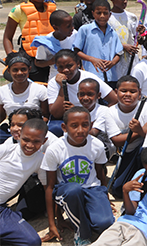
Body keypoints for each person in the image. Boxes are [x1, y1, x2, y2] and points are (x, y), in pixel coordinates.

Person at [41, 106, 114, 245]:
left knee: (104, 223)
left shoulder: (97, 145)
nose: (80, 130)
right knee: (74, 190)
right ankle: (82, 234)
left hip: (92, 188)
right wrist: (53, 222)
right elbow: (50, 187)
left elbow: (100, 175)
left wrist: (105, 198)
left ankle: (84, 211)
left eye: (85, 125)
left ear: (91, 125)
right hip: (67, 191)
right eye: (74, 126)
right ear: (64, 127)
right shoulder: (55, 149)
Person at [0, 118, 48, 246]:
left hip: (1, 209)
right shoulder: (5, 150)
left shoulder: (40, 160)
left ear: (44, 141)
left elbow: (47, 188)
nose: (30, 145)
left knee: (32, 241)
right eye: (26, 139)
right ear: (19, 135)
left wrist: (56, 220)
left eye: (36, 141)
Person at [108, 75, 147, 198]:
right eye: (123, 91)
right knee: (118, 190)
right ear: (116, 92)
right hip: (124, 153)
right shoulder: (110, 112)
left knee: (146, 149)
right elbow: (117, 140)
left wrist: (141, 130)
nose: (128, 94)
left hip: (141, 153)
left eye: (133, 91)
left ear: (139, 93)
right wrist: (139, 131)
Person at [47, 49, 117, 135]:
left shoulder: (89, 78)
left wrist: (100, 118)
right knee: (55, 128)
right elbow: (56, 114)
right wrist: (62, 87)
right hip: (68, 119)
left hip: (91, 118)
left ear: (78, 64)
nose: (65, 70)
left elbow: (114, 100)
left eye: (69, 66)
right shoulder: (54, 83)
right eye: (61, 67)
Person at [4, 0, 56, 81]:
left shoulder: (53, 10)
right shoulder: (18, 10)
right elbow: (7, 37)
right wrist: (10, 57)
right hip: (30, 58)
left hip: (51, 58)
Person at [73, 0, 123, 85]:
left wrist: (112, 62)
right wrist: (92, 59)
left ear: (110, 14)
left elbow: (119, 53)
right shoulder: (85, 30)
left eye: (105, 13)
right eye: (99, 13)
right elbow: (76, 51)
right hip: (91, 75)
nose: (102, 16)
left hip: (111, 77)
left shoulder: (112, 32)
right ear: (93, 13)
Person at [0, 52, 49, 132]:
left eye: (23, 69)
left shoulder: (39, 90)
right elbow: (1, 116)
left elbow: (46, 115)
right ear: (9, 71)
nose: (19, 73)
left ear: (29, 69)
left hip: (34, 130)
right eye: (15, 70)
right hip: (12, 130)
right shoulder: (2, 91)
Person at [77, 78, 120, 159]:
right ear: (78, 95)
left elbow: (93, 133)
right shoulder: (76, 112)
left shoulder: (104, 111)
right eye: (82, 94)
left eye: (90, 94)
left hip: (103, 146)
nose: (85, 98)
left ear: (98, 95)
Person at [108, 0, 144, 79]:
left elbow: (135, 37)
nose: (125, 1)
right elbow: (107, 40)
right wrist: (123, 46)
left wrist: (140, 35)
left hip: (131, 60)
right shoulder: (107, 18)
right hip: (115, 61)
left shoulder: (131, 17)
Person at [32, 10, 77, 81]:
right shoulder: (46, 43)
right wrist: (52, 61)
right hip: (55, 77)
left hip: (74, 76)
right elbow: (37, 62)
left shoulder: (75, 35)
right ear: (56, 28)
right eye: (68, 26)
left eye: (72, 24)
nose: (72, 28)